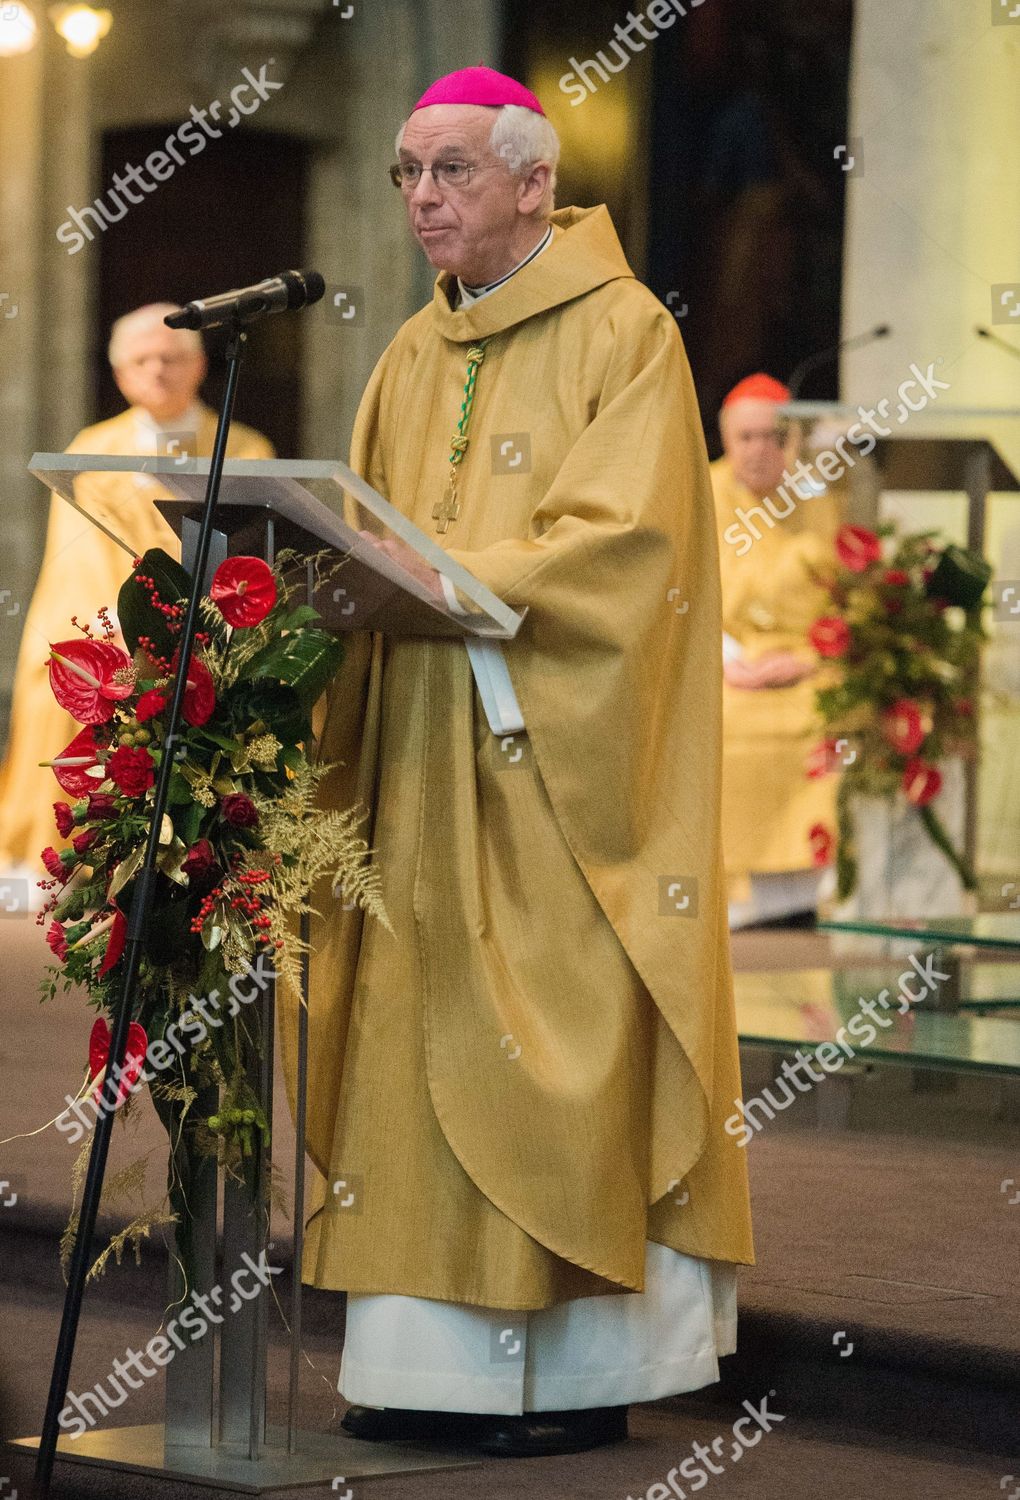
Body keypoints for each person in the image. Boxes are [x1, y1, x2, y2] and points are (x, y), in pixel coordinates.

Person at [279, 66, 753, 1460]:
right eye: (407, 174)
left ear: (534, 182)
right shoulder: (415, 352)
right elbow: (364, 527)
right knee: (414, 1046)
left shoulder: (626, 334)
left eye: (452, 172)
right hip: (415, 753)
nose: (423, 199)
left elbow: (631, 551)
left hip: (550, 764)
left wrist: (445, 574)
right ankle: (423, 1366)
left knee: (550, 1043)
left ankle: (562, 1378)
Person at [0, 305, 274, 878]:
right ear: (120, 375)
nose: (157, 371)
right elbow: (76, 560)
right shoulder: (91, 449)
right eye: (141, 360)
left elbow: (250, 558)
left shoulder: (245, 448)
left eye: (171, 358)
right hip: (112, 615)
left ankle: (212, 852)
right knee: (56, 671)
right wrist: (134, 639)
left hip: (212, 625)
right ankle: (73, 854)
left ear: (200, 367)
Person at [710, 373, 841, 928]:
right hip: (726, 664)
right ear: (726, 440)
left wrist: (807, 660)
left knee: (836, 715)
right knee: (719, 719)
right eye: (747, 438)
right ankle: (737, 900)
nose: (760, 449)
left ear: (791, 440)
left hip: (809, 663)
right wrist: (728, 660)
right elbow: (678, 592)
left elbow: (848, 598)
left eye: (772, 437)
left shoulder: (821, 494)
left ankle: (814, 890)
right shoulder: (699, 493)